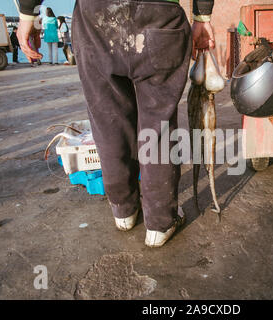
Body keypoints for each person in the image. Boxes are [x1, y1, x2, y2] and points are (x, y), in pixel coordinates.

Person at [17, 0, 215, 247]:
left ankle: (124, 210)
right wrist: (202, 16)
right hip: (161, 16)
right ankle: (160, 223)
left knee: (108, 118)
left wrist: (28, 14)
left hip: (96, 18)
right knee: (158, 125)